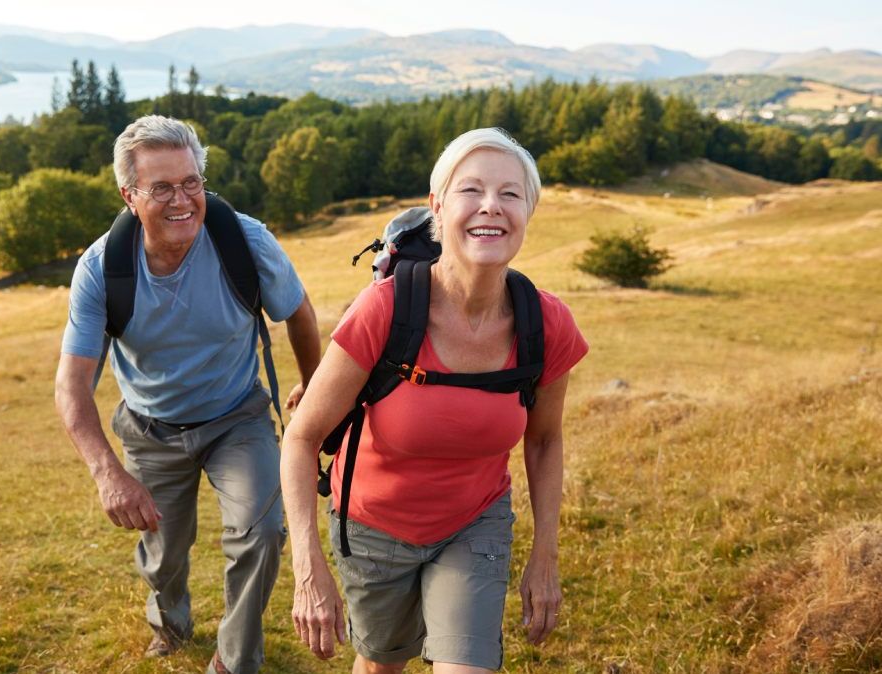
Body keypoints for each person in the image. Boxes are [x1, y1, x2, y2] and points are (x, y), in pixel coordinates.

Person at [280, 128, 588, 673]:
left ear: (528, 213)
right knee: (381, 664)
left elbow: (543, 438)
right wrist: (308, 568)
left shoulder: (547, 322)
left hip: (475, 522)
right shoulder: (385, 309)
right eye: (471, 190)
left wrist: (545, 554)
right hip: (374, 526)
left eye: (510, 194)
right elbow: (302, 436)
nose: (491, 206)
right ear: (437, 208)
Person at [55, 115, 321, 674]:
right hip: (150, 428)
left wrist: (314, 391)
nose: (183, 200)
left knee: (263, 530)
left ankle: (234, 659)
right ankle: (170, 623)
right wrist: (108, 472)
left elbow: (298, 314)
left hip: (236, 417)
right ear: (130, 196)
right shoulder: (102, 268)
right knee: (163, 555)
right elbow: (72, 385)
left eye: (191, 182)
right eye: (161, 188)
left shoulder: (244, 240)